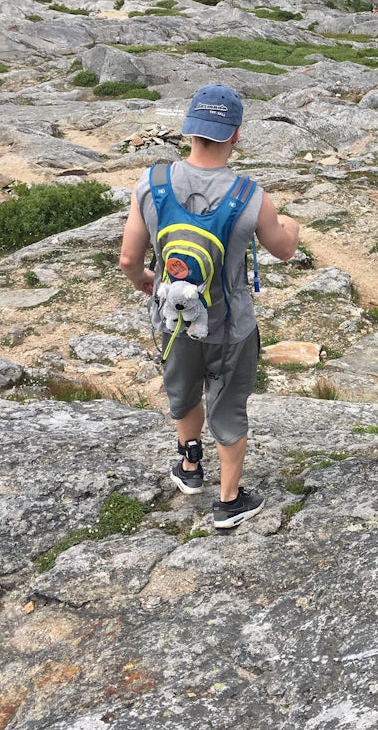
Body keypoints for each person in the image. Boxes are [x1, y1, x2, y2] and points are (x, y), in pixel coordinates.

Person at [119, 83, 301, 529]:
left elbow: (128, 259)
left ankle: (190, 467)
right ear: (234, 135)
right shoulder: (251, 196)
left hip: (173, 319)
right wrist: (291, 224)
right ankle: (229, 500)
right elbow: (284, 249)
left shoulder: (151, 183)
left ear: (188, 131)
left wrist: (146, 279)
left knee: (182, 389)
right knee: (228, 404)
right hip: (231, 327)